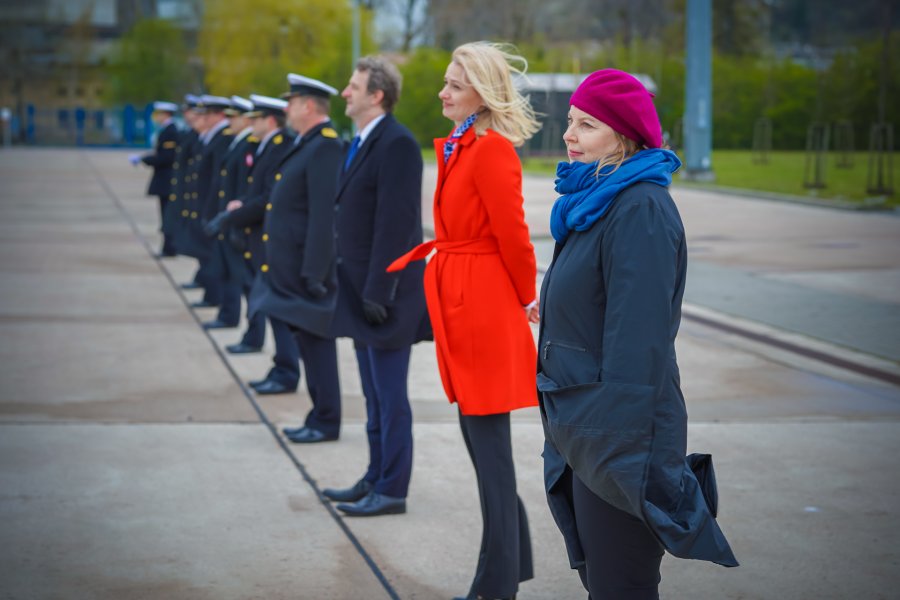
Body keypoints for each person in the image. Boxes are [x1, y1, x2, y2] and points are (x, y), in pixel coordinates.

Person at [537, 69, 738, 599]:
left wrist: (614, 450)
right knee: (601, 578)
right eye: (571, 122)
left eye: (586, 126)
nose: (569, 135)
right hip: (581, 423)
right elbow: (602, 298)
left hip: (617, 435)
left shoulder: (640, 207)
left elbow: (639, 341)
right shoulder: (596, 200)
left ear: (623, 137)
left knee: (621, 585)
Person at [388, 42, 539, 600]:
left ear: (481, 92)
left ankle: (495, 588)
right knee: (484, 450)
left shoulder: (492, 150)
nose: (442, 92)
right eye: (446, 82)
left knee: (489, 452)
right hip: (463, 301)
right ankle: (510, 565)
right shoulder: (462, 145)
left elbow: (513, 236)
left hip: (482, 311)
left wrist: (527, 296)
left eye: (454, 84)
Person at [321, 56, 430, 517]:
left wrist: (379, 293)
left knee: (389, 397)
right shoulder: (364, 140)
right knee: (371, 395)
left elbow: (398, 225)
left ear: (376, 95)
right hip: (361, 290)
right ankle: (374, 475)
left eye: (353, 86)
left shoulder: (398, 144)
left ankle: (392, 489)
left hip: (386, 296)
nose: (345, 92)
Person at [248, 74, 344, 442]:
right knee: (307, 346)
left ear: (307, 106)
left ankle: (325, 419)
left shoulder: (325, 147)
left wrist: (314, 272)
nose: (285, 109)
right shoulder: (307, 143)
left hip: (309, 272)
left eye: (291, 102)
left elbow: (323, 214)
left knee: (317, 349)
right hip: (294, 269)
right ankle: (318, 415)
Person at [207, 94, 296, 362]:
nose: (249, 123)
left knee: (270, 301)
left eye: (254, 118)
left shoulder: (279, 146)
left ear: (269, 121)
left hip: (268, 234)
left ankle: (281, 362)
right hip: (254, 231)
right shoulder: (263, 145)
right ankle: (257, 340)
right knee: (255, 291)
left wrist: (237, 214)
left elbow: (269, 195)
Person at [201, 96, 258, 330]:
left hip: (238, 219)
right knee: (227, 272)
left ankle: (242, 324)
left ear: (246, 120)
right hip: (228, 218)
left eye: (235, 117)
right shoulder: (237, 142)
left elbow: (245, 186)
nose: (230, 121)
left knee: (243, 279)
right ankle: (228, 314)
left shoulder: (249, 145)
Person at [130, 100, 179, 257]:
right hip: (164, 180)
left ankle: (169, 248)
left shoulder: (170, 131)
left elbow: (167, 157)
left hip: (167, 180)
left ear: (166, 114)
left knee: (167, 215)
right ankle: (168, 247)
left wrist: (145, 159)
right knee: (164, 214)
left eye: (159, 114)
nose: (156, 117)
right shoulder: (165, 130)